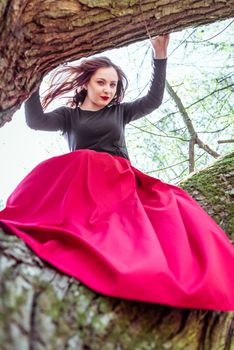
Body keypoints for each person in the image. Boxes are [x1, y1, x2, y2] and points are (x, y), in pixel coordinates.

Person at [0, 35, 233, 311]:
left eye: (112, 84)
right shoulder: (69, 116)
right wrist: (34, 80)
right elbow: (35, 121)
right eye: (101, 82)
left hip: (117, 177)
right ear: (86, 83)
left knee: (175, 207)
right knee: (75, 163)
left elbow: (153, 100)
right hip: (82, 178)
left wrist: (160, 55)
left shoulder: (119, 112)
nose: (107, 89)